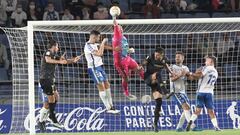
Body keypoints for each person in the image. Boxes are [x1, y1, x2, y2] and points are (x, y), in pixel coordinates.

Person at [38, 39, 81, 131]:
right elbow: (48, 60)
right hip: (45, 80)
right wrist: (60, 61)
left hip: (50, 80)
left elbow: (64, 61)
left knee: (56, 97)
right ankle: (51, 118)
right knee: (49, 101)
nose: (58, 48)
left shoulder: (54, 55)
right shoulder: (48, 52)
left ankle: (49, 116)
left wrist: (73, 60)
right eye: (57, 46)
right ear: (53, 46)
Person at [84, 30, 120, 114]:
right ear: (94, 37)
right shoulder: (88, 46)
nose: (99, 38)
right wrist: (103, 42)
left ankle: (111, 106)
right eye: (98, 37)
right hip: (93, 68)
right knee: (101, 86)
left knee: (107, 84)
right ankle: (108, 108)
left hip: (100, 67)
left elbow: (103, 46)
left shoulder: (94, 44)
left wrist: (114, 49)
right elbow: (100, 53)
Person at [141, 47, 173, 132]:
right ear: (154, 53)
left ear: (162, 55)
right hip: (148, 78)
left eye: (158, 55)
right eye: (156, 54)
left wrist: (171, 73)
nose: (156, 56)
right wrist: (142, 64)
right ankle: (166, 93)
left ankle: (155, 124)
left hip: (156, 82)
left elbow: (166, 66)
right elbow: (142, 64)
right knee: (158, 74)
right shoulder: (150, 57)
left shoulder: (164, 59)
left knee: (159, 102)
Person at [186, 56, 221, 131]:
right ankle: (216, 127)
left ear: (211, 62)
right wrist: (197, 72)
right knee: (211, 111)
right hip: (209, 93)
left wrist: (191, 73)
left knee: (198, 110)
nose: (205, 62)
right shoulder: (216, 71)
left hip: (201, 92)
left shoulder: (207, 68)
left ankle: (190, 122)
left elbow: (199, 76)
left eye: (207, 61)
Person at [112, 17, 144, 100]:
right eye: (119, 28)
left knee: (139, 69)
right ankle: (126, 92)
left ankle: (150, 83)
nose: (120, 29)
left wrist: (129, 50)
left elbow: (124, 49)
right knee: (126, 78)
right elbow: (115, 24)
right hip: (120, 62)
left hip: (127, 58)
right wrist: (114, 17)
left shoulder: (124, 38)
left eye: (121, 27)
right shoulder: (116, 37)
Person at [170, 51, 201, 132]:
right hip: (175, 91)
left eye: (179, 56)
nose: (177, 58)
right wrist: (181, 74)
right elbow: (172, 79)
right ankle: (192, 126)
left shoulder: (185, 68)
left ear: (183, 58)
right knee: (186, 107)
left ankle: (179, 127)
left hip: (183, 91)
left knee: (187, 109)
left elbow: (191, 79)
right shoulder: (172, 67)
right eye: (176, 56)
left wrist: (194, 74)